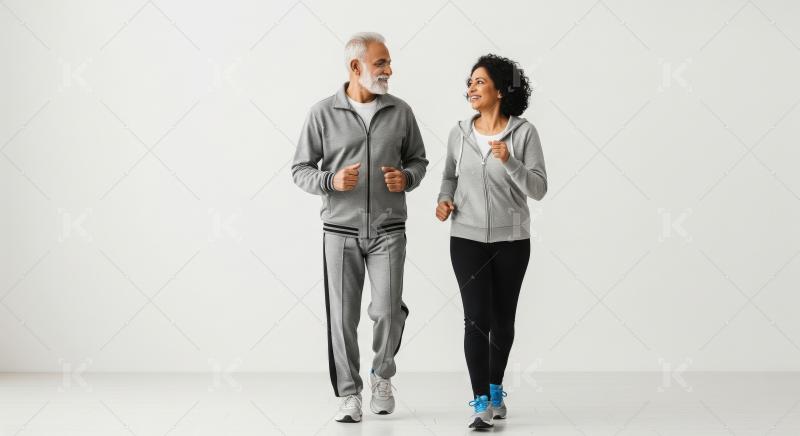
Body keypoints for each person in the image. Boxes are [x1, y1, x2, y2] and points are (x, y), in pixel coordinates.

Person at [291, 32, 428, 423]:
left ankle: (382, 376)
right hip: (340, 232)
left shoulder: (400, 112)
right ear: (356, 67)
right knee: (342, 318)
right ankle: (349, 394)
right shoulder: (322, 113)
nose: (389, 70)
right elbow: (300, 169)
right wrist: (331, 182)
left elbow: (419, 160)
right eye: (381, 63)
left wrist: (407, 178)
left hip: (389, 230)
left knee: (387, 309)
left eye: (388, 62)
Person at [436, 54, 547, 429]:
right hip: (465, 237)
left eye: (479, 82)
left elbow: (539, 188)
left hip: (512, 239)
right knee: (475, 320)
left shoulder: (524, 133)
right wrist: (443, 200)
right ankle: (481, 401)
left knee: (502, 320)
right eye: (469, 82)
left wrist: (510, 160)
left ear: (500, 91)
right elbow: (448, 177)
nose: (471, 88)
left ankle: (497, 387)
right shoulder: (459, 132)